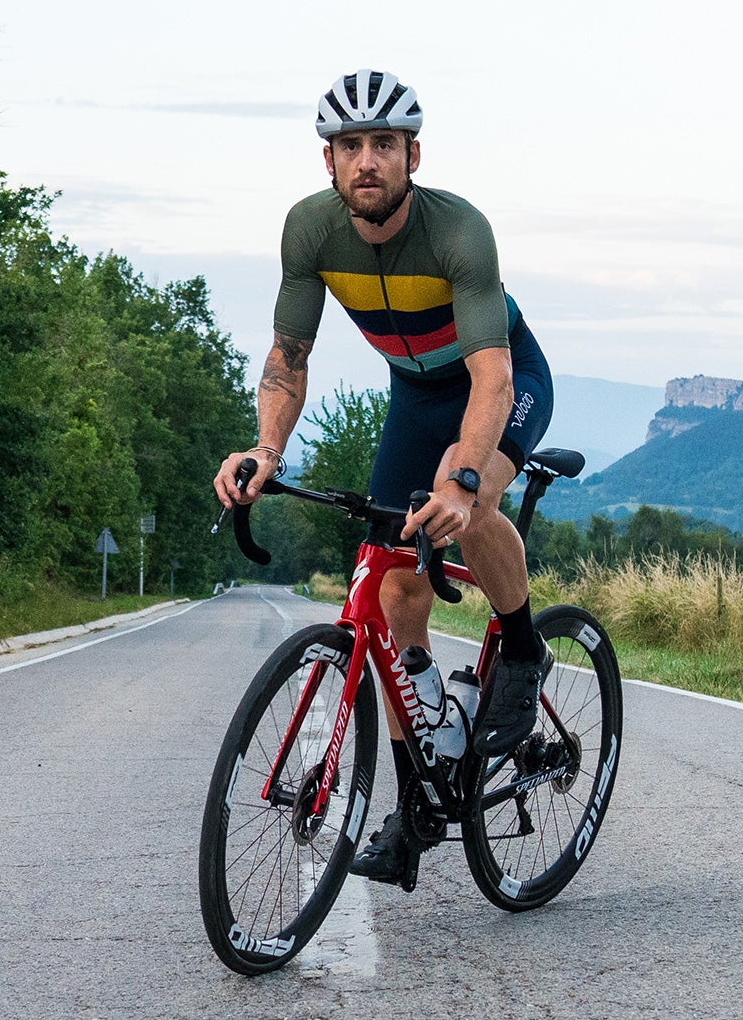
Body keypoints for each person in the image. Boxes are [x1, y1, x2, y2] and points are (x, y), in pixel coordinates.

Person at [212, 69, 555, 887]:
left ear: (413, 154)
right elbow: (289, 358)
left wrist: (465, 480)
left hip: (496, 380)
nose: (369, 160)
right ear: (329, 160)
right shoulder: (310, 230)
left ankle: (526, 647)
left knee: (458, 504)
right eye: (352, 146)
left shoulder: (458, 231)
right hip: (414, 392)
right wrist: (265, 449)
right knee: (395, 590)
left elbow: (493, 379)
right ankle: (420, 800)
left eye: (385, 145)